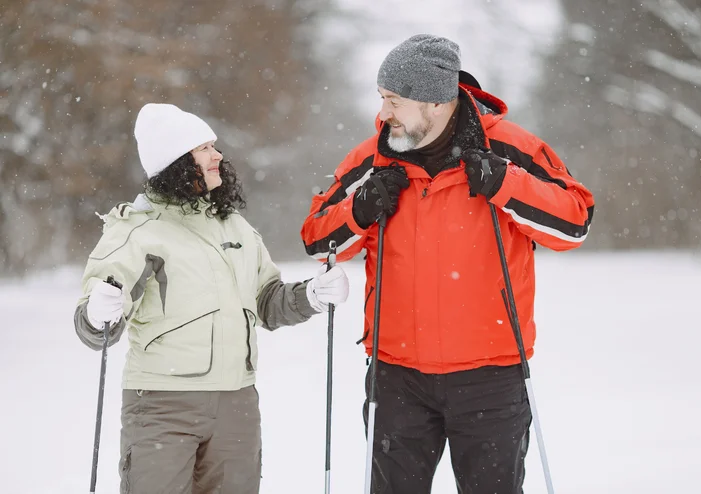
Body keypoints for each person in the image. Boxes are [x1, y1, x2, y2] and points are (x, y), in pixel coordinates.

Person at [301, 34, 595, 494]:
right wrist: (358, 211)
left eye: (393, 101)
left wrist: (506, 184)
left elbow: (574, 223)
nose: (383, 114)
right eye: (382, 99)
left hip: (491, 377)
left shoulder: (510, 148)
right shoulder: (372, 160)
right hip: (397, 377)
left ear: (435, 103)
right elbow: (316, 239)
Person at [74, 103, 350, 494]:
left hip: (237, 404)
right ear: (176, 161)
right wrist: (97, 315)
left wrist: (311, 295)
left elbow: (267, 302)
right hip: (161, 407)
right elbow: (97, 324)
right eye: (204, 147)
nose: (218, 155)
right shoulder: (138, 230)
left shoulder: (234, 226)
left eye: (214, 146)